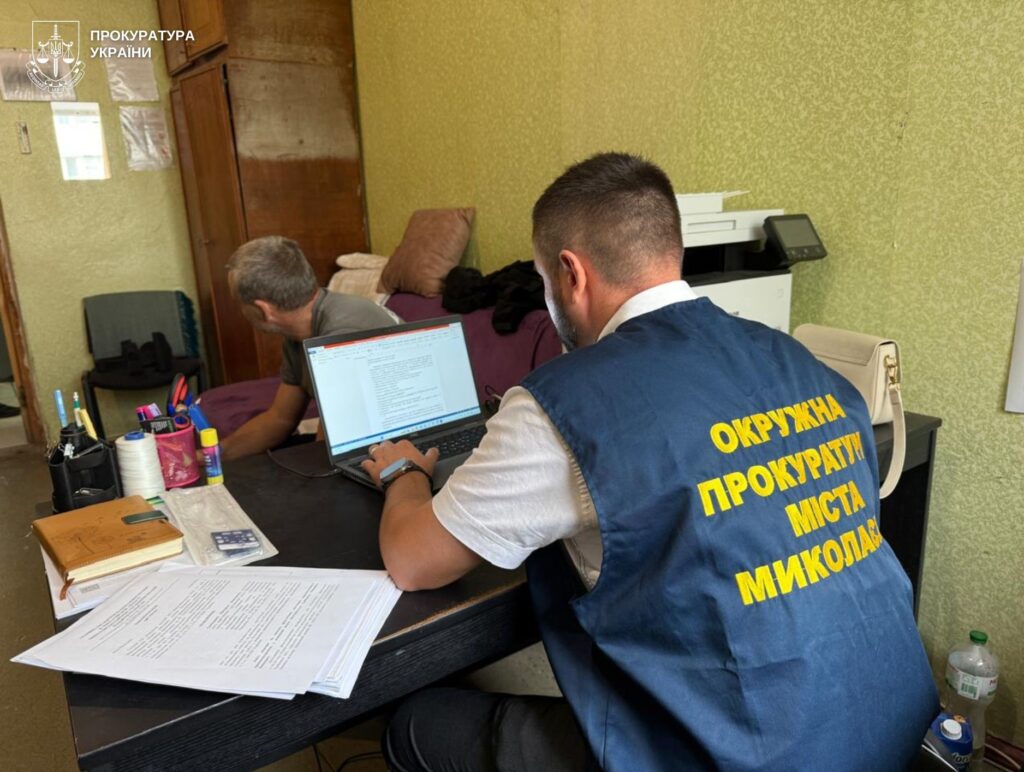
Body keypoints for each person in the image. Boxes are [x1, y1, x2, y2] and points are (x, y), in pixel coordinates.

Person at [360, 153, 938, 771]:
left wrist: (405, 474)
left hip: (745, 755)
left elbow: (414, 561)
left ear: (570, 274)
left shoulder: (568, 401)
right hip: (895, 728)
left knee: (417, 725)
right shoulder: (802, 363)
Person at [221, 236, 399, 460]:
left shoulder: (340, 336)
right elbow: (280, 418)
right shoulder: (299, 333)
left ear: (264, 310)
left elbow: (330, 448)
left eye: (239, 303)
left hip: (393, 449)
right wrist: (210, 456)